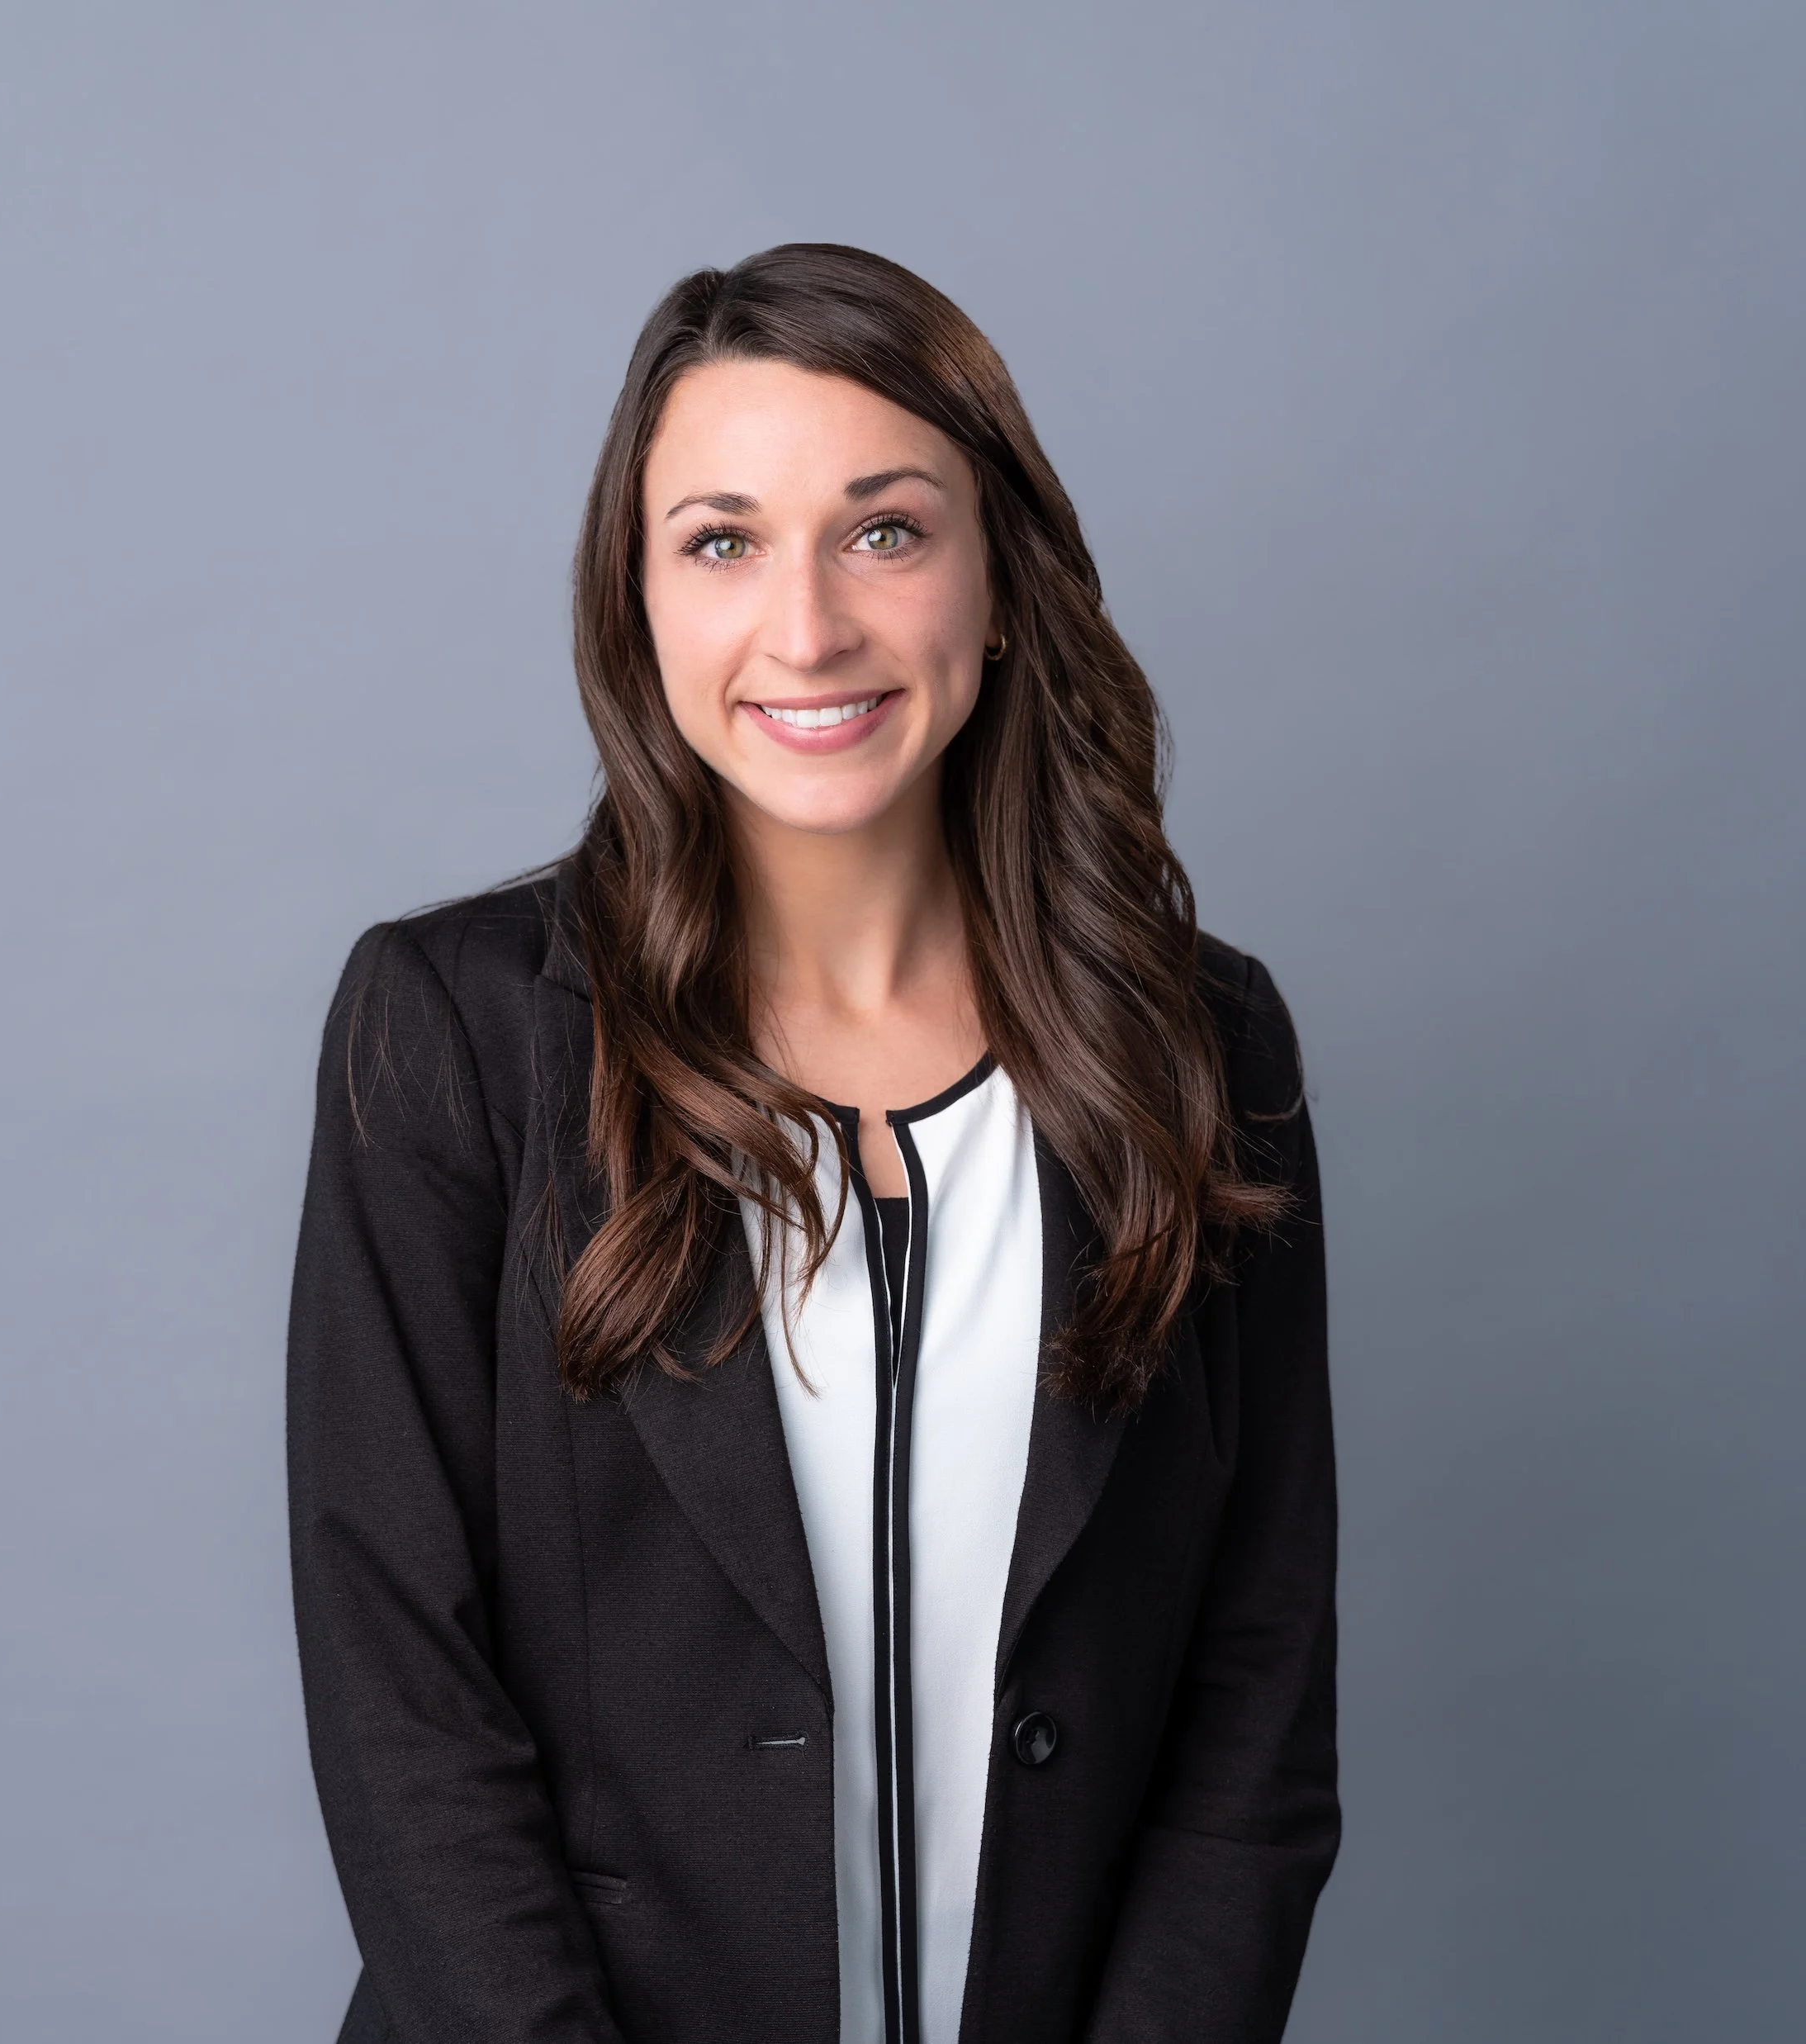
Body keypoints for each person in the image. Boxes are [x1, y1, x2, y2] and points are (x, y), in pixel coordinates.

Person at [287, 243, 1337, 2044]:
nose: (808, 628)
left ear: (1000, 582)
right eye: (721, 541)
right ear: (637, 608)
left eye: (884, 530)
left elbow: (1257, 1702)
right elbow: (404, 1706)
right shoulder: (447, 1029)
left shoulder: (1204, 1041)